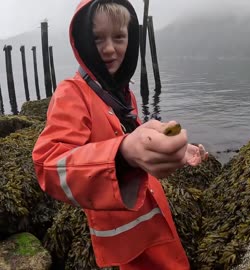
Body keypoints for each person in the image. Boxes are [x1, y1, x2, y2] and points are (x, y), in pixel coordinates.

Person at [32, 0, 207, 269]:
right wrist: (123, 152)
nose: (110, 48)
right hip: (126, 245)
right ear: (82, 42)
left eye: (119, 37)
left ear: (131, 38)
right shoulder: (72, 92)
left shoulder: (123, 94)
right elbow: (48, 166)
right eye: (97, 39)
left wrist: (176, 151)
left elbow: (136, 144)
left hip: (156, 221)